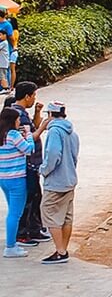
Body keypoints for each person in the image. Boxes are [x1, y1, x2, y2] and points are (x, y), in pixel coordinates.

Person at [39, 101, 78, 264]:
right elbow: (75, 156)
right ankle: (63, 249)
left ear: (50, 115)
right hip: (69, 178)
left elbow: (53, 154)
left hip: (56, 181)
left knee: (49, 211)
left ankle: (60, 251)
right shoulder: (72, 133)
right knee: (66, 216)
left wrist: (44, 169)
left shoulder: (54, 132)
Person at [11, 83, 48, 247]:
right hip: (27, 164)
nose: (34, 99)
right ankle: (22, 234)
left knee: (35, 196)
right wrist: (45, 125)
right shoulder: (17, 115)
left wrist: (38, 113)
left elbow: (32, 127)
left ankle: (34, 229)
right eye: (33, 96)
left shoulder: (22, 114)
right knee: (28, 198)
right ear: (27, 96)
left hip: (32, 163)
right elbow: (29, 137)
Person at [0, 106, 35, 258]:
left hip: (4, 178)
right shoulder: (14, 135)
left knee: (12, 211)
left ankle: (12, 243)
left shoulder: (2, 135)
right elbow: (29, 149)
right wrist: (28, 135)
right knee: (15, 213)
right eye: (18, 119)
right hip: (17, 178)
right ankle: (10, 246)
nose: (19, 121)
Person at [0, 8, 11, 92]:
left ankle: (6, 88)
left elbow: (12, 37)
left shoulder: (7, 25)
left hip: (3, 60)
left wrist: (14, 47)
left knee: (3, 75)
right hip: (2, 59)